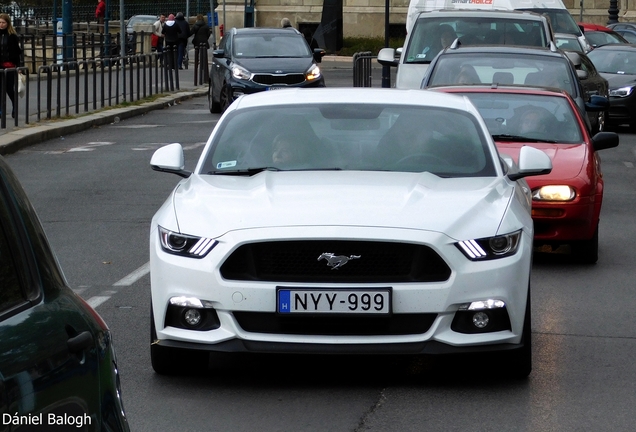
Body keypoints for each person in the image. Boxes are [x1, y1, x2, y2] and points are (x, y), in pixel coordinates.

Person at [0, 13, 22, 118]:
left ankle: (15, 106)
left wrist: (18, 66)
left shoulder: (12, 36)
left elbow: (17, 53)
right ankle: (0, 111)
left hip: (9, 66)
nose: (1, 24)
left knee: (9, 89)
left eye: (3, 22)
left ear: (8, 23)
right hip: (0, 66)